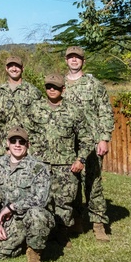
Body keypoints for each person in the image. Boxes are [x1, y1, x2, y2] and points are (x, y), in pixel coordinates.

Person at [30, 74, 92, 245]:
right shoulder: (35, 108)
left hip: (65, 165)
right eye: (49, 86)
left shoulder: (73, 110)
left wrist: (81, 160)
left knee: (64, 202)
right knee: (41, 200)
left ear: (63, 89)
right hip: (40, 165)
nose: (52, 90)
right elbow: (26, 134)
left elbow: (87, 138)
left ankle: (62, 233)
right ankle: (44, 233)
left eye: (56, 87)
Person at [0, 127, 54, 262]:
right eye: (13, 141)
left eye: (21, 142)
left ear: (28, 145)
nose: (17, 144)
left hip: (30, 217)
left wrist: (12, 207)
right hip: (9, 221)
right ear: (7, 143)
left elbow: (41, 199)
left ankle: (34, 253)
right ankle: (23, 243)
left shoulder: (39, 167)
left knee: (37, 213)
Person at [63, 46, 114, 241]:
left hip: (92, 142)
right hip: (68, 144)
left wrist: (104, 138)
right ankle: (76, 220)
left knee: (93, 183)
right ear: (66, 61)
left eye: (77, 58)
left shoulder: (94, 84)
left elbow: (105, 111)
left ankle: (98, 223)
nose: (74, 60)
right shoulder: (60, 85)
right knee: (71, 183)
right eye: (70, 57)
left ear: (83, 61)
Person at [1, 55, 43, 137]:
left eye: (17, 66)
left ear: (22, 69)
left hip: (26, 141)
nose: (14, 69)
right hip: (4, 141)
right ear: (6, 68)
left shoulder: (33, 91)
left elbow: (40, 119)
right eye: (11, 66)